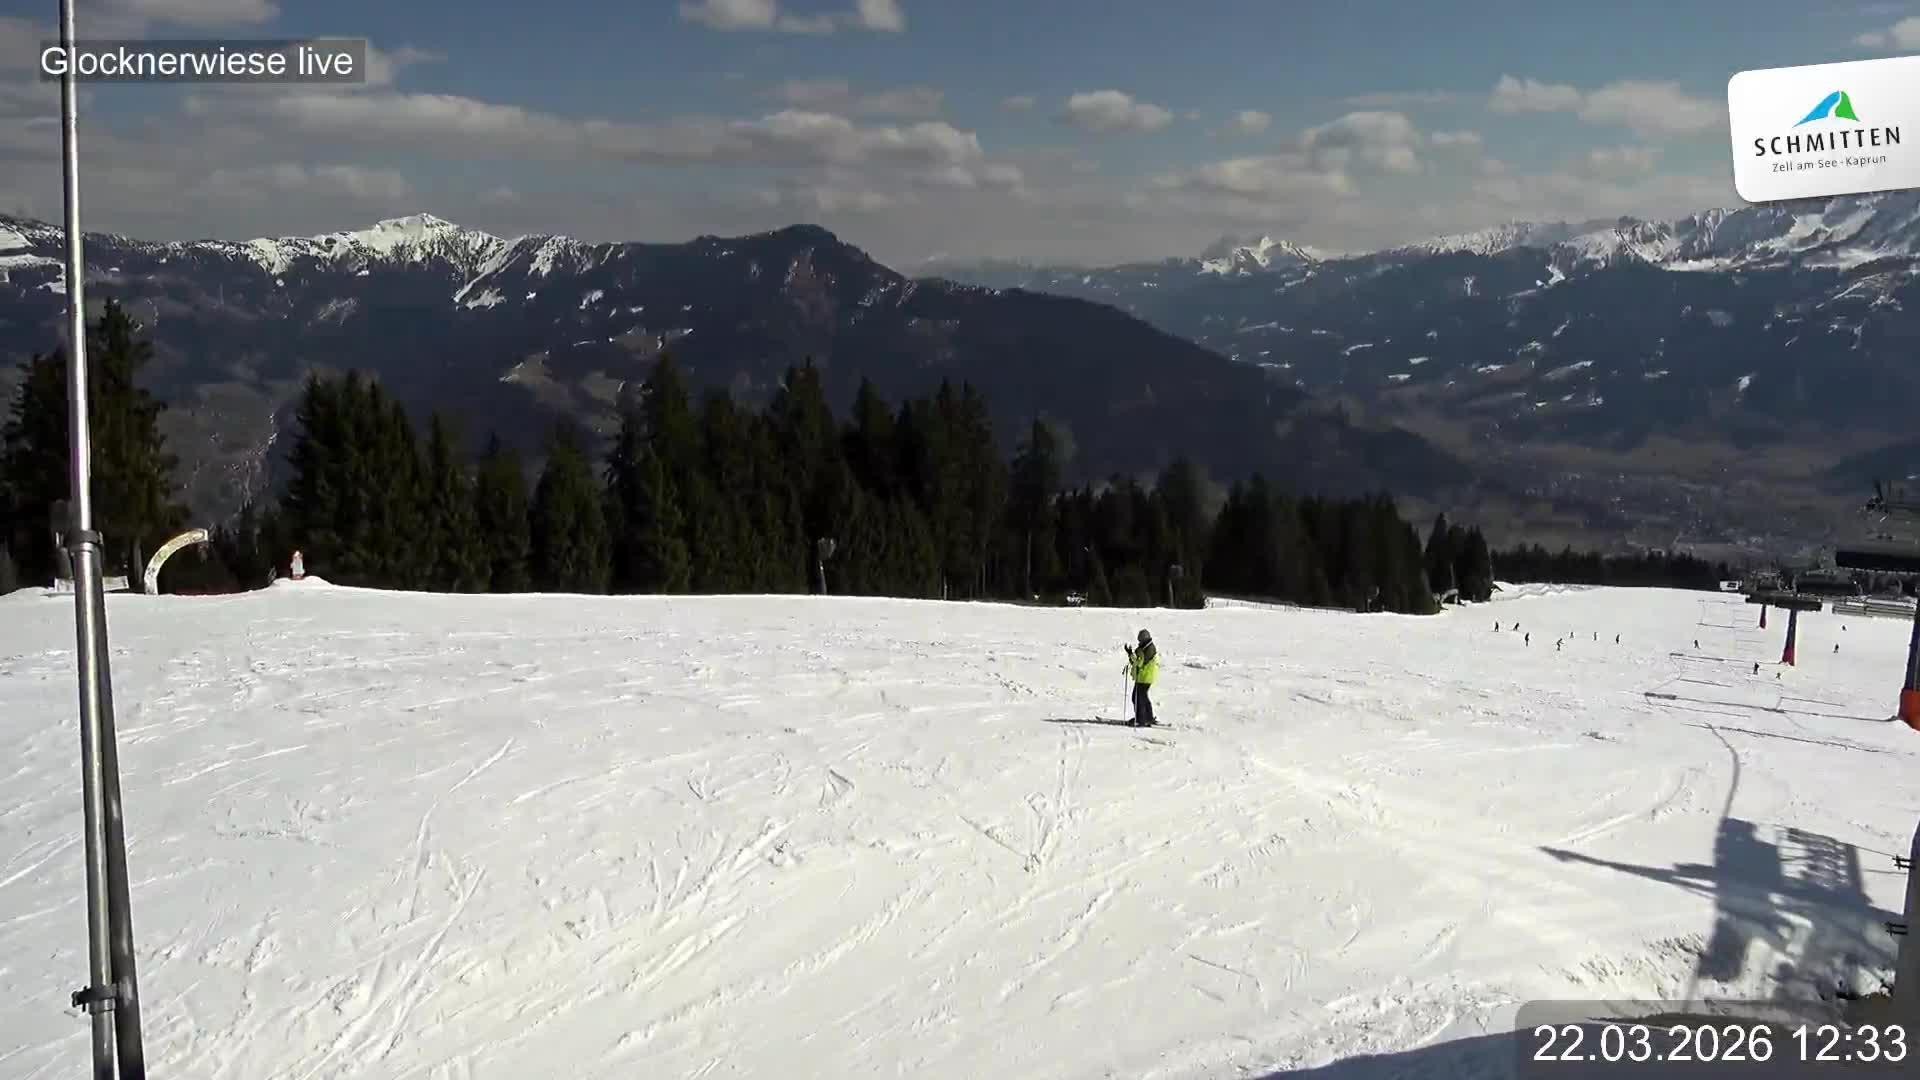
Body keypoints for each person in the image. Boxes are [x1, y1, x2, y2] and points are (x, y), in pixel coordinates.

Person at [1124, 629, 1160, 727]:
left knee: (1138, 698)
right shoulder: (1147, 647)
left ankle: (1141, 719)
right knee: (1142, 697)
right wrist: (1131, 654)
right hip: (1145, 677)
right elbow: (1137, 662)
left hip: (1145, 677)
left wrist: (1131, 654)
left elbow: (1139, 663)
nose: (1139, 642)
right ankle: (1148, 717)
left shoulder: (1148, 649)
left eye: (1140, 640)